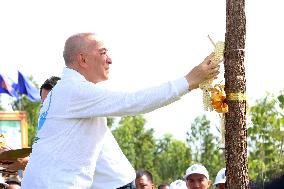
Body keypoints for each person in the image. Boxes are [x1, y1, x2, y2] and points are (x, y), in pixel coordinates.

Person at [22, 32, 221, 189]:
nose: (109, 60)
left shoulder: (62, 92)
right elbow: (132, 102)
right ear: (82, 59)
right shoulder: (74, 90)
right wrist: (189, 80)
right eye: (102, 53)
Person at [0, 76, 61, 173]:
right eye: (42, 104)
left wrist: (25, 162)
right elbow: (41, 153)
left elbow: (62, 159)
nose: (44, 109)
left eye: (50, 103)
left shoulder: (73, 126)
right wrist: (14, 155)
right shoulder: (45, 123)